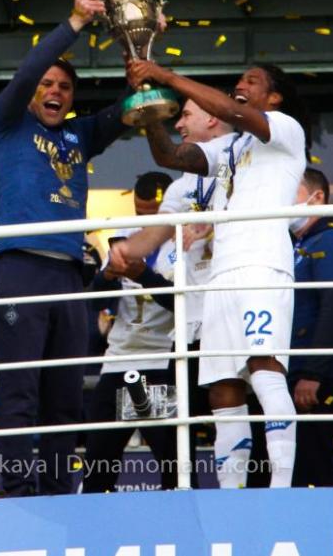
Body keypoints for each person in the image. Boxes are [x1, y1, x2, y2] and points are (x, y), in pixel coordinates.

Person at [123, 59, 309, 488]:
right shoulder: (230, 148)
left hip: (263, 264)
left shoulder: (286, 129)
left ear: (274, 97)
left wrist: (166, 77)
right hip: (220, 277)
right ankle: (231, 494)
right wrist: (149, 106)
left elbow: (231, 111)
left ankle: (282, 489)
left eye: (252, 81)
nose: (241, 84)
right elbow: (170, 155)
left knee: (265, 370)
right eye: (239, 79)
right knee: (223, 388)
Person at [0, 0, 128, 496]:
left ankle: (59, 493)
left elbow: (128, 109)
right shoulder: (6, 123)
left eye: (65, 87)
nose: (55, 91)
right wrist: (74, 23)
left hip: (68, 274)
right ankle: (18, 491)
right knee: (20, 391)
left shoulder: (78, 135)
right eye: (47, 84)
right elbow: (27, 71)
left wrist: (140, 53)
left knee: (65, 398)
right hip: (18, 267)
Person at [106, 99, 234, 483]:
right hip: (182, 337)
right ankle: (184, 507)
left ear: (212, 118)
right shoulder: (180, 188)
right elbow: (153, 239)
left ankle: (248, 502)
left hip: (231, 319)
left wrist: (211, 223)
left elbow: (232, 183)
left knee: (238, 414)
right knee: (177, 442)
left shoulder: (243, 166)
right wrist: (127, 254)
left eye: (186, 115)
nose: (179, 124)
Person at [82, 171, 179, 493]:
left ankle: (182, 520)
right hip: (117, 360)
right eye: (140, 212)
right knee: (98, 465)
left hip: (159, 362)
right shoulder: (123, 237)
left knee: (172, 466)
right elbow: (95, 300)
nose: (145, 222)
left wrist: (145, 276)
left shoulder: (186, 241)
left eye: (154, 214)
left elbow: (185, 305)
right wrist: (108, 275)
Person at [282, 168, 333, 487]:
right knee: (293, 470)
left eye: (291, 191)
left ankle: (318, 521)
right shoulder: (297, 245)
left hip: (322, 378)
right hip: (297, 373)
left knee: (312, 470)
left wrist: (312, 374)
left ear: (317, 198)